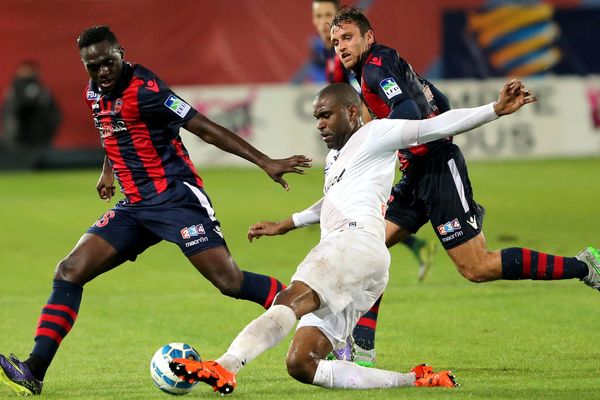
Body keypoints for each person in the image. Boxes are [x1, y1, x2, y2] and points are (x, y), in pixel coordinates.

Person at [167, 79, 536, 394]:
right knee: (302, 363)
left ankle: (227, 365)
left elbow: (434, 127)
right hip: (367, 262)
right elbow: (331, 201)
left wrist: (494, 109)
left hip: (351, 245)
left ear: (352, 112)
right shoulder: (336, 159)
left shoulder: (377, 134)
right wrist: (287, 223)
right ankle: (417, 380)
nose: (320, 124)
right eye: (316, 118)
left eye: (326, 115)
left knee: (290, 297)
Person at [0, 26, 311, 397]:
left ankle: (312, 309)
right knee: (69, 272)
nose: (102, 72)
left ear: (121, 52)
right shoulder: (93, 93)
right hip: (134, 207)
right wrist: (108, 171)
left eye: (108, 62)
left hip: (176, 200)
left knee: (230, 283)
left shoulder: (147, 90)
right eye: (93, 66)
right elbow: (111, 130)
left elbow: (206, 129)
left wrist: (264, 161)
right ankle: (34, 370)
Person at [329, 8, 600, 296]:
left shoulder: (374, 69)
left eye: (348, 38)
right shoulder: (386, 59)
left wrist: (376, 140)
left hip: (436, 169)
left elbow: (406, 109)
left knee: (477, 267)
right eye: (336, 42)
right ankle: (358, 342)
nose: (342, 47)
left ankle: (585, 266)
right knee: (364, 250)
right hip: (418, 171)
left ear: (368, 36)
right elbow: (440, 101)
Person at [311, 0, 438, 367]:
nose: (323, 27)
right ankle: (360, 345)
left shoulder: (368, 64)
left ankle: (354, 343)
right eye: (317, 18)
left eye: (327, 19)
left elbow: (362, 110)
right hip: (388, 152)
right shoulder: (346, 60)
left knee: (477, 266)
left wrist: (368, 143)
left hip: (393, 154)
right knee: (369, 239)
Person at [0, 60, 61, 167]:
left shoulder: (43, 91)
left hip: (39, 139)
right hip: (19, 140)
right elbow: (10, 114)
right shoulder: (14, 92)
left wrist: (49, 130)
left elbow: (54, 113)